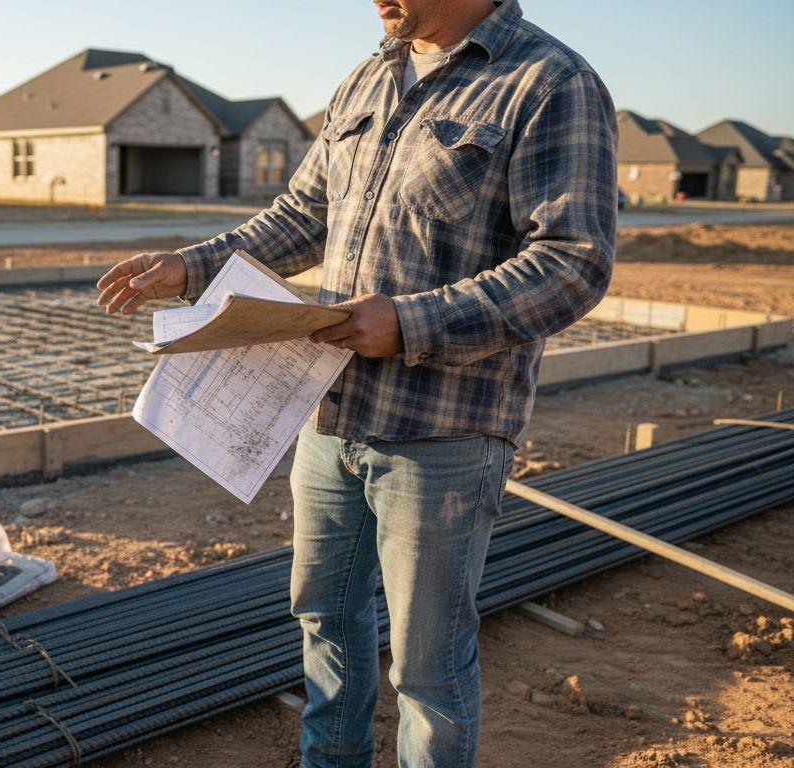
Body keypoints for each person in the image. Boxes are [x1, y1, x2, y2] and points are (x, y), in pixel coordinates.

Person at [94, 0, 617, 765]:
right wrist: (190, 268)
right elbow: (303, 214)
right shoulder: (370, 78)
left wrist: (411, 323)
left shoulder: (548, 82)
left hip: (443, 432)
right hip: (331, 416)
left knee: (428, 667)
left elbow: (572, 263)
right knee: (326, 624)